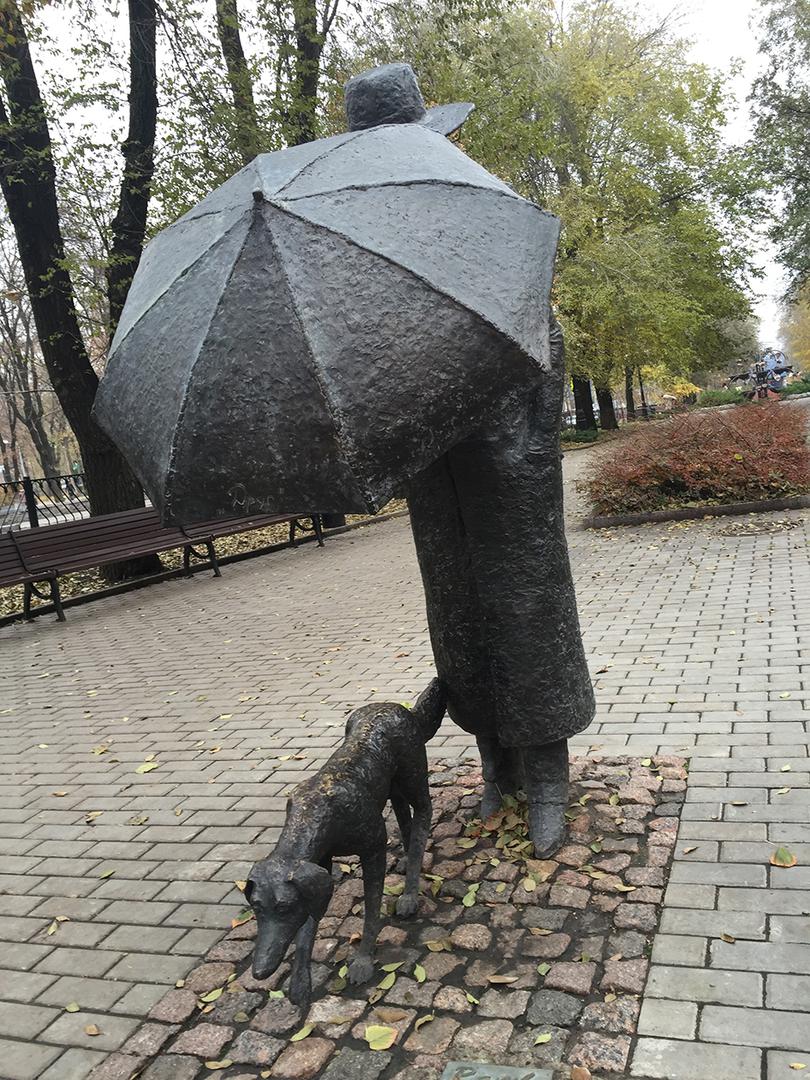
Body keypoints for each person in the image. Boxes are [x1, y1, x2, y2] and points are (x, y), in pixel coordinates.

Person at [344, 65, 595, 856]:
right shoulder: (367, 241)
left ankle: (546, 774)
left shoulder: (478, 210)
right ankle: (495, 763)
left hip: (507, 460)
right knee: (457, 615)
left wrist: (510, 434)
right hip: (435, 462)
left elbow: (538, 337)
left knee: (527, 612)